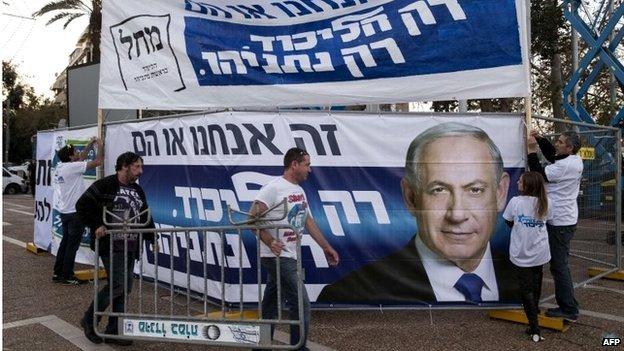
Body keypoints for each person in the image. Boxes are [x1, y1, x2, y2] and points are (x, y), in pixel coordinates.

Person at [318, 122, 518, 304]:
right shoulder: (349, 296)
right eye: (438, 190)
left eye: (475, 190)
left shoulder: (524, 282)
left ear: (500, 193)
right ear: (411, 197)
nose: (457, 214)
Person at [249, 147, 339, 350]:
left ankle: (260, 345)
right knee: (301, 303)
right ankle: (298, 348)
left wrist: (326, 247)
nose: (310, 169)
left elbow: (308, 220)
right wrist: (270, 241)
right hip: (277, 256)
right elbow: (250, 220)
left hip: (288, 254)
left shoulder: (299, 190)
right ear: (294, 165)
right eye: (307, 165)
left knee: (271, 304)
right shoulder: (273, 188)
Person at [76, 151, 155, 346]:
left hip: (131, 245)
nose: (140, 171)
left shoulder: (138, 190)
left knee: (124, 288)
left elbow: (145, 213)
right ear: (125, 166)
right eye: (137, 166)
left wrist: (152, 236)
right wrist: (96, 225)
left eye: (141, 167)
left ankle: (114, 330)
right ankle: (89, 319)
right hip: (111, 244)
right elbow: (82, 205)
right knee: (118, 285)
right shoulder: (105, 185)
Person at [527, 130, 583, 322]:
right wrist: (541, 140)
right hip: (563, 219)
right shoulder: (573, 159)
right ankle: (568, 306)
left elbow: (538, 174)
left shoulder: (565, 166)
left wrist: (531, 151)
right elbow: (552, 155)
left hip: (560, 222)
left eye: (560, 142)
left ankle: (569, 309)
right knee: (559, 265)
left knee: (559, 266)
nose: (556, 144)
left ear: (570, 147)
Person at [503, 171, 551, 342]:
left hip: (522, 252)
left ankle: (534, 326)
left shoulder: (515, 202)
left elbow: (508, 221)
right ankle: (534, 316)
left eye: (521, 181)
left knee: (526, 289)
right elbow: (549, 220)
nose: (518, 183)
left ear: (528, 185)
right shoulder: (546, 202)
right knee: (536, 283)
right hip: (539, 251)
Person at [52, 137, 103, 285]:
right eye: (75, 152)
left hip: (65, 211)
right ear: (70, 157)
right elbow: (98, 161)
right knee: (71, 246)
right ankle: (67, 275)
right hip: (75, 212)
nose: (78, 153)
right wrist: (99, 146)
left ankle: (58, 272)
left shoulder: (62, 167)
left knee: (65, 243)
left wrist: (89, 144)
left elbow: (81, 157)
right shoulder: (72, 167)